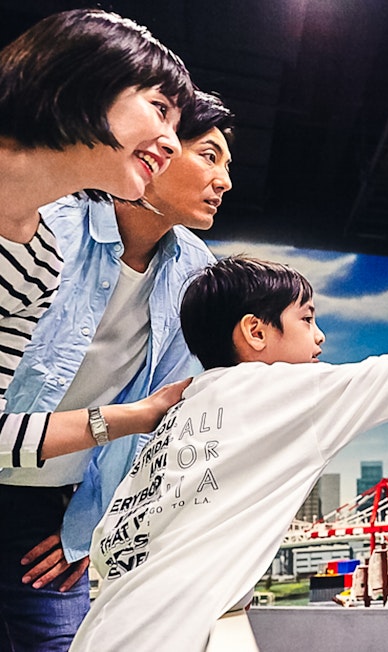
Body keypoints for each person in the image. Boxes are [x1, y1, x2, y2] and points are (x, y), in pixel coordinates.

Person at [69, 256, 388, 651]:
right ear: (256, 332)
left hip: (107, 630)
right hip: (172, 637)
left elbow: (114, 542)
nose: (319, 337)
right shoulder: (281, 391)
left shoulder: (186, 411)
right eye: (306, 320)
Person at [0, 91, 234, 648]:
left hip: (50, 504)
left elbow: (166, 417)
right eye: (209, 156)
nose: (224, 180)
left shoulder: (197, 277)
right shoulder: (48, 223)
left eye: (228, 165)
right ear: (156, 149)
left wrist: (83, 531)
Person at [0, 8, 195, 471]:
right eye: (159, 109)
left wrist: (140, 416)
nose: (171, 143)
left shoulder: (42, 261)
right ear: (89, 78)